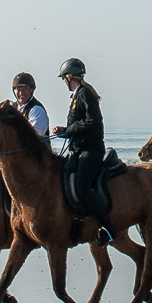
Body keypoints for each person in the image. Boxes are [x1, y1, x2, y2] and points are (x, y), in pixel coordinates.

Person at [50, 57, 114, 243]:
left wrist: (68, 130)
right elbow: (80, 124)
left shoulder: (85, 94)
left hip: (91, 151)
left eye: (64, 79)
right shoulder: (77, 96)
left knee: (83, 187)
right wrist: (65, 131)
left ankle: (108, 228)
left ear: (70, 78)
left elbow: (93, 121)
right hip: (79, 150)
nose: (64, 83)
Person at [11, 72, 49, 140]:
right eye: (18, 90)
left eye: (24, 90)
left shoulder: (37, 110)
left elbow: (33, 137)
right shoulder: (12, 108)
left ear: (31, 90)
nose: (21, 93)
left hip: (35, 149)